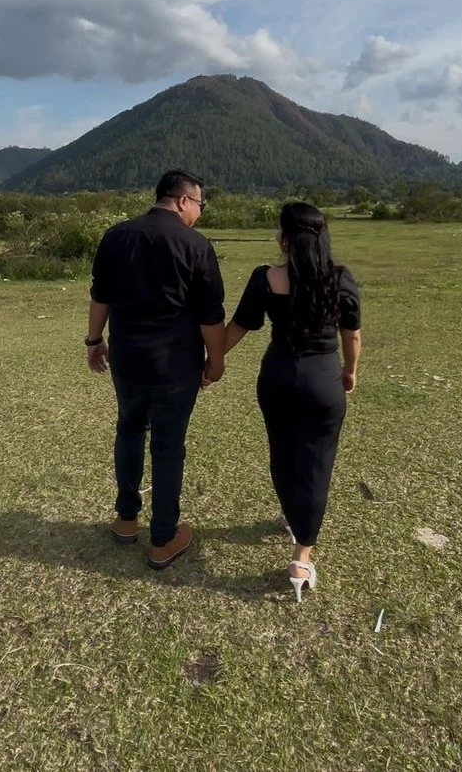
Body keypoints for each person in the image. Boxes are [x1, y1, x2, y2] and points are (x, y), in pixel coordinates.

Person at [86, 170, 226, 570]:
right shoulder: (196, 245)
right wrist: (216, 362)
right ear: (183, 201)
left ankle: (126, 519)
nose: (200, 212)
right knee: (168, 446)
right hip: (176, 366)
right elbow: (210, 315)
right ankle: (163, 538)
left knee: (129, 429)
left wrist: (94, 341)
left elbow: (100, 295)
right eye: (200, 204)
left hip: (127, 359)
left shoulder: (117, 236)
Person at [224, 202, 361, 602]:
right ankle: (302, 557)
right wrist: (350, 371)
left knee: (282, 454)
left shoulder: (265, 277)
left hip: (278, 378)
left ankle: (290, 514)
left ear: (284, 237)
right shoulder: (340, 278)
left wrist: (212, 362)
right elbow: (352, 335)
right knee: (317, 463)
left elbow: (239, 326)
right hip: (323, 380)